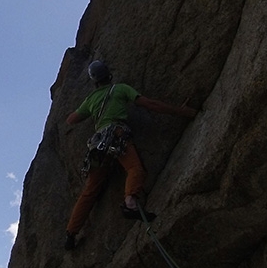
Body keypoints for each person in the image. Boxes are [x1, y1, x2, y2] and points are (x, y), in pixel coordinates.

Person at [64, 60, 195, 250]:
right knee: (135, 169)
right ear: (109, 75)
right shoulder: (120, 89)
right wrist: (179, 111)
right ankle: (130, 203)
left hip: (98, 144)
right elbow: (149, 104)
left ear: (94, 81)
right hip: (117, 136)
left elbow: (71, 120)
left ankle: (70, 234)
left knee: (90, 190)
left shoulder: (91, 99)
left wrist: (85, 107)